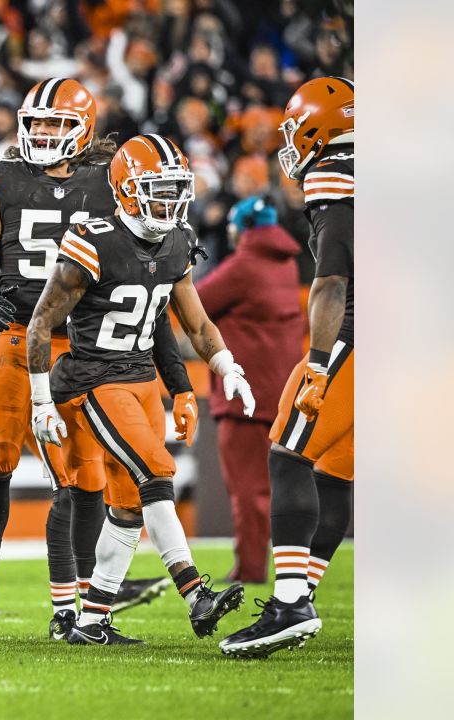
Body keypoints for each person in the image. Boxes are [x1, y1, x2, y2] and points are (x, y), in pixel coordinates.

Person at [0, 78, 193, 638]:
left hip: (81, 346)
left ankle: (78, 608)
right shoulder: (1, 174)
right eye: (35, 122)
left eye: (55, 123)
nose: (42, 133)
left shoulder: (108, 184)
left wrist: (177, 377)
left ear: (82, 129)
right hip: (16, 337)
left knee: (83, 477)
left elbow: (145, 280)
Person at [27, 133, 251, 645]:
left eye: (176, 190)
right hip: (96, 379)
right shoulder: (94, 238)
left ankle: (91, 621)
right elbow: (41, 324)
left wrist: (224, 364)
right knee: (157, 472)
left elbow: (193, 324)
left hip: (143, 379)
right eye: (157, 189)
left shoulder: (175, 241)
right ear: (127, 190)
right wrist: (41, 400)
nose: (169, 203)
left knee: (129, 505)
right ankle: (196, 596)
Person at [221, 77, 355, 659]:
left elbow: (330, 282)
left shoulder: (335, 172)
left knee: (287, 452)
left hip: (360, 334)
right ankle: (301, 599)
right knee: (334, 469)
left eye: (300, 131)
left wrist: (321, 364)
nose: (294, 146)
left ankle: (291, 603)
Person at [196, 195, 304, 583]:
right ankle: (286, 569)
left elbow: (193, 304)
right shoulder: (287, 264)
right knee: (276, 489)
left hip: (245, 394)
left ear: (241, 229)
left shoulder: (243, 265)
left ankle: (251, 568)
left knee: (247, 490)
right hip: (283, 394)